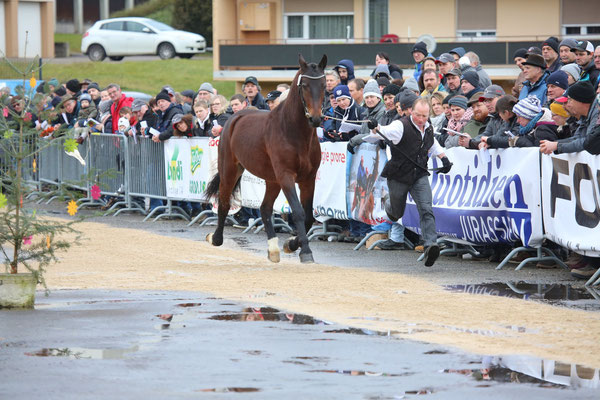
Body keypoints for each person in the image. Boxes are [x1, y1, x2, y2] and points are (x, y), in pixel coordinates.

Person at [348, 98, 452, 267]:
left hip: (419, 175)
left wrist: (444, 158)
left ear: (428, 115)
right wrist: (376, 126)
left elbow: (431, 145)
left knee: (426, 208)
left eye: (424, 116)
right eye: (418, 115)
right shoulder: (400, 125)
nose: (421, 119)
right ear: (411, 111)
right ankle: (389, 205)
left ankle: (430, 244)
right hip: (398, 175)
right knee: (396, 213)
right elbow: (382, 131)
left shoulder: (428, 127)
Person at [539, 81, 598, 155]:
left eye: (570, 100)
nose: (568, 105)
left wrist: (557, 146)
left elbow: (588, 142)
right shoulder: (585, 116)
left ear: (581, 100)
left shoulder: (597, 113)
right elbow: (577, 138)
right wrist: (554, 144)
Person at [482, 95, 557, 149]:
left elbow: (536, 150)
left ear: (527, 116)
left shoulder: (543, 130)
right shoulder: (527, 129)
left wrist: (516, 141)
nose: (518, 120)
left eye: (519, 117)